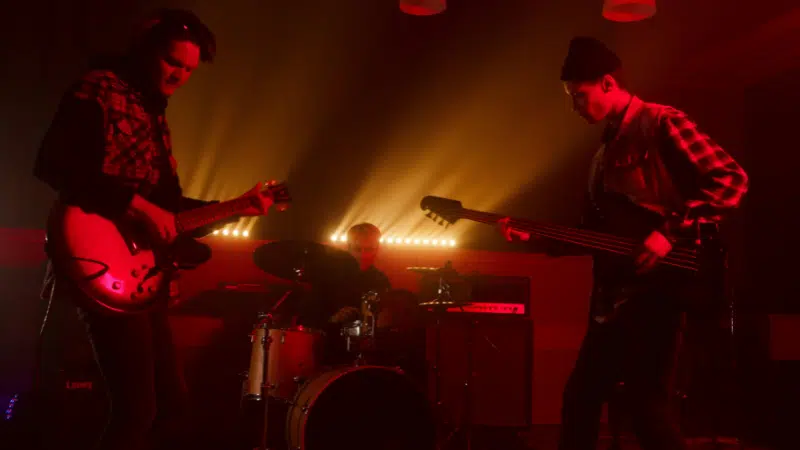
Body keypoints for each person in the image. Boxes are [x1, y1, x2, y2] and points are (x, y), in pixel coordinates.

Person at [32, 9, 274, 450]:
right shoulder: (99, 88)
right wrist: (138, 207)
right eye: (171, 62)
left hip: (139, 276)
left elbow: (170, 214)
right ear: (147, 50)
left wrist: (241, 207)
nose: (179, 75)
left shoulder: (154, 115)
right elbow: (54, 163)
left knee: (169, 405)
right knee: (137, 408)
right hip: (98, 259)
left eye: (187, 69)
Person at [498, 36, 748, 450]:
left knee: (645, 407)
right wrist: (535, 236)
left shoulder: (661, 122)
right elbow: (595, 234)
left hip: (659, 293)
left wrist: (669, 233)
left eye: (579, 95)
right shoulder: (601, 157)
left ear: (609, 83)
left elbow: (730, 179)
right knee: (582, 399)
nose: (575, 106)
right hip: (613, 301)